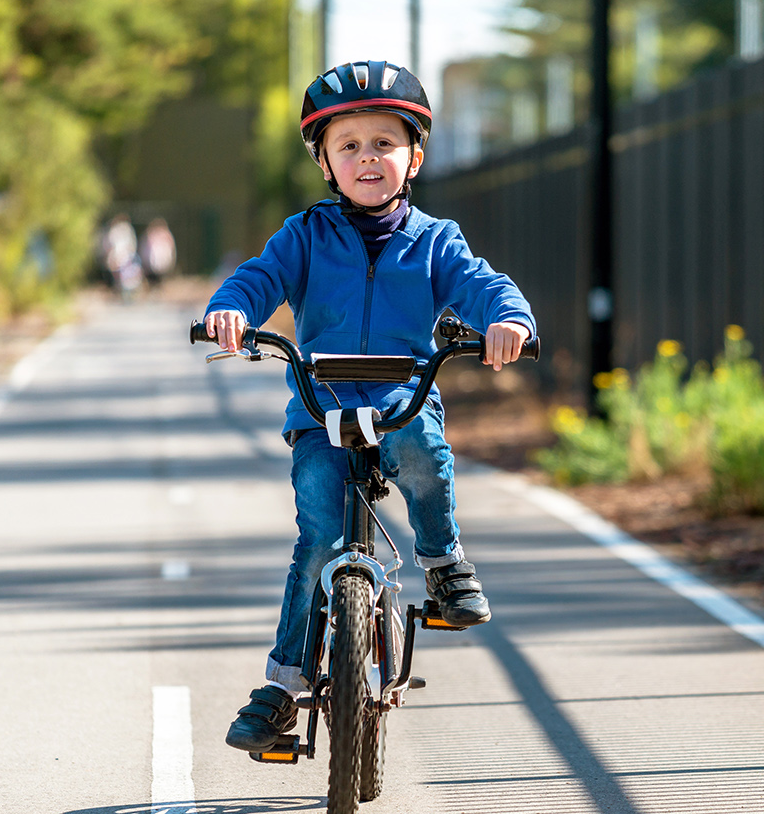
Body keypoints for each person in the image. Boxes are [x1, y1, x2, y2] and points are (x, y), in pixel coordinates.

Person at [201, 60, 536, 752]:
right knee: (318, 535)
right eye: (348, 145)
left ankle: (443, 565)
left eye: (385, 142)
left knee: (423, 453)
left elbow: (483, 285)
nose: (367, 158)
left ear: (414, 158)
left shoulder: (436, 241)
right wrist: (230, 310)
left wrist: (509, 320)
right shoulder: (303, 238)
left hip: (400, 399)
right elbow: (257, 279)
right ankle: (283, 683)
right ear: (324, 162)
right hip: (320, 411)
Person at [142, 218, 176, 288]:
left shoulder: (165, 235)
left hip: (160, 259)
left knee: (159, 274)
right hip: (153, 260)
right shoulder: (151, 236)